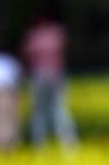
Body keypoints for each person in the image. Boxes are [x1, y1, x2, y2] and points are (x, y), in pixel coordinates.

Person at [22, 18, 77, 147]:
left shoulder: (33, 36)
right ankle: (68, 143)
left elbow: (27, 53)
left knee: (40, 112)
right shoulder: (57, 33)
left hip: (39, 76)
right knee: (59, 110)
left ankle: (39, 144)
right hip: (56, 75)